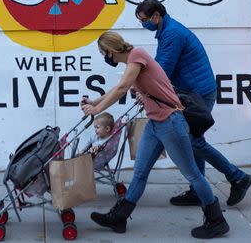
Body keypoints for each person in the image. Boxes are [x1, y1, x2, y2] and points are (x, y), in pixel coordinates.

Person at [82, 31, 229, 239]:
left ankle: (216, 220)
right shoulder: (131, 64)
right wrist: (94, 103)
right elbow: (119, 87)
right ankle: (120, 218)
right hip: (155, 123)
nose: (105, 57)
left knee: (193, 174)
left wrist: (97, 111)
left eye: (103, 53)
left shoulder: (137, 55)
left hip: (170, 123)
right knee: (140, 173)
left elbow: (122, 89)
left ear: (110, 50)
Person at [135, 0, 251, 207]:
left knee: (192, 141)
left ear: (156, 16)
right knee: (193, 141)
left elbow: (162, 71)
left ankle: (237, 177)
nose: (143, 24)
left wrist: (143, 89)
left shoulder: (171, 34)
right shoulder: (168, 30)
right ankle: (198, 191)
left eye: (144, 20)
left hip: (197, 94)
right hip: (194, 91)